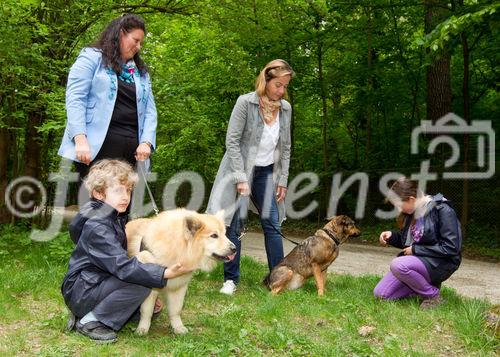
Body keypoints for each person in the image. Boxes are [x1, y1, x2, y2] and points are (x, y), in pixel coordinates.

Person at [61, 159, 191, 343]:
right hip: (83, 291)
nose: (125, 196)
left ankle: (100, 312)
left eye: (128, 190)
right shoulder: (98, 224)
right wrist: (164, 273)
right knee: (142, 284)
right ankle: (89, 321)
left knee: (145, 293)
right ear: (98, 193)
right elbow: (122, 266)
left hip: (90, 284)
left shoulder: (111, 216)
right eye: (118, 190)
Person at [206, 59, 295, 295]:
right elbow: (232, 142)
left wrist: (283, 179)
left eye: (285, 86)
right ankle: (231, 280)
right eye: (278, 85)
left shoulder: (285, 109)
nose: (281, 91)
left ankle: (277, 278)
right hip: (240, 170)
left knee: (272, 224)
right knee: (235, 225)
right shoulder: (245, 103)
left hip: (266, 173)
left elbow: (285, 147)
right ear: (265, 80)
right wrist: (240, 178)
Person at [58, 13, 157, 193]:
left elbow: (150, 111)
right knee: (97, 210)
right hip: (95, 151)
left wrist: (147, 143)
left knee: (122, 209)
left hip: (132, 155)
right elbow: (75, 99)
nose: (138, 46)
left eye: (141, 42)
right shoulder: (91, 58)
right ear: (120, 34)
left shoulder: (141, 73)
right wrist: (80, 140)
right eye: (135, 40)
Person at [373, 177, 462, 309]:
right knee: (381, 294)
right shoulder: (412, 213)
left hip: (440, 263)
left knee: (398, 265)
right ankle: (420, 287)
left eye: (398, 205)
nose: (398, 209)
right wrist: (392, 237)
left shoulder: (442, 209)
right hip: (417, 262)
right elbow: (411, 241)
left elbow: (451, 247)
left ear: (411, 199)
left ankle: (432, 295)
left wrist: (415, 250)